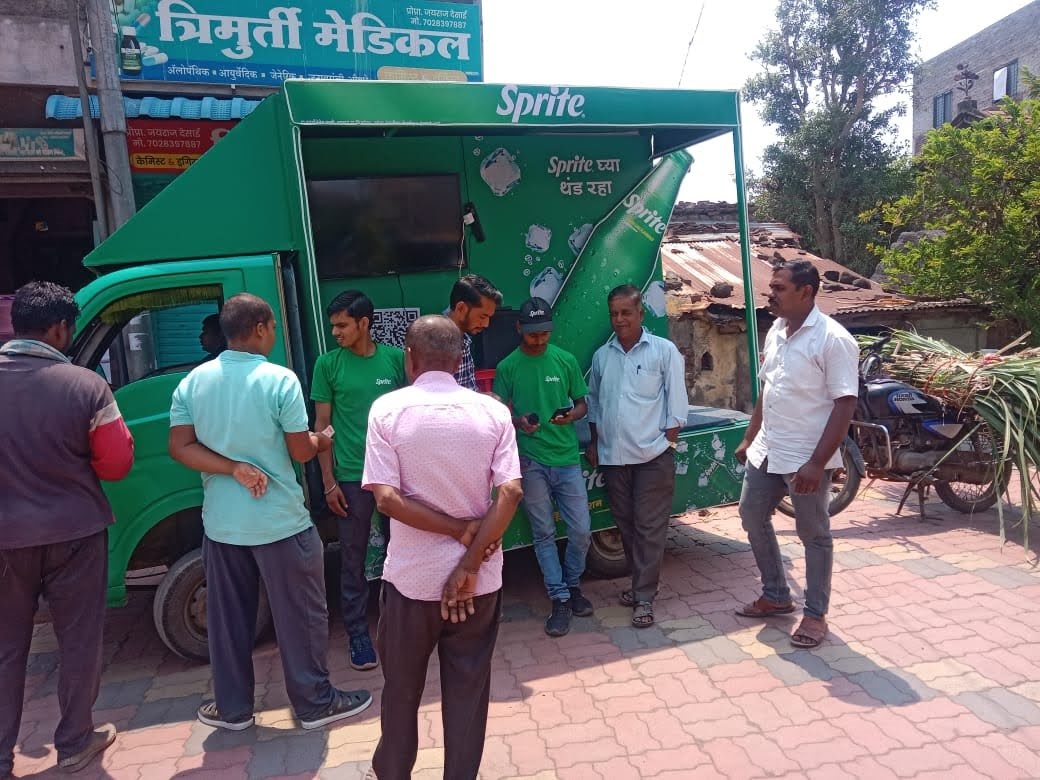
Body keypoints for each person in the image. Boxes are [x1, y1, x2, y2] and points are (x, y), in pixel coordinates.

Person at [168, 293, 371, 732]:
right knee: (301, 616)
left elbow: (180, 447)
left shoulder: (193, 382)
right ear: (259, 328)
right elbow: (300, 449)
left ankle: (234, 709)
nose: (275, 334)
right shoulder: (279, 380)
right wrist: (324, 440)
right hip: (280, 523)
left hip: (223, 527)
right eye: (274, 326)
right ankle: (315, 703)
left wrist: (232, 468)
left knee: (229, 622)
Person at [363, 315, 522, 780]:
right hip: (479, 584)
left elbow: (387, 499)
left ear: (410, 359)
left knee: (401, 693)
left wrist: (457, 531)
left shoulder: (387, 411)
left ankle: (392, 772)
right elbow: (510, 493)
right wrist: (468, 561)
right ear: (459, 360)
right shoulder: (492, 412)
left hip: (411, 583)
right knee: (467, 693)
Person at [0, 281, 135, 776]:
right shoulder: (85, 384)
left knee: (5, 648)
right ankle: (76, 740)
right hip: (74, 531)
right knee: (78, 640)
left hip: (5, 540)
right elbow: (117, 463)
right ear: (59, 328)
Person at [734, 260, 858, 649]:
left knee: (814, 535)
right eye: (771, 287)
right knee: (752, 516)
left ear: (806, 292)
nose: (770, 293)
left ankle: (815, 615)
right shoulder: (776, 330)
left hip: (806, 458)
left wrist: (818, 463)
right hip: (769, 449)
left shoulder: (833, 340)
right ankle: (776, 594)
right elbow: (768, 390)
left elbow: (844, 405)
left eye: (779, 288)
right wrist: (749, 438)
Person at [311, 290, 406, 671]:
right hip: (351, 479)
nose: (335, 332)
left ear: (364, 323)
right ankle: (358, 635)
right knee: (351, 559)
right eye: (333, 325)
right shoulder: (328, 365)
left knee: (400, 554)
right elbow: (321, 427)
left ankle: (398, 627)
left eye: (342, 325)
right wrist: (329, 482)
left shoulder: (397, 360)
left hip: (395, 478)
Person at [586, 284, 688, 629]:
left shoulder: (663, 351)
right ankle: (639, 584)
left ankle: (644, 597)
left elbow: (677, 404)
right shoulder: (603, 357)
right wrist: (596, 443)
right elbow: (596, 403)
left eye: (626, 313)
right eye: (614, 314)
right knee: (626, 525)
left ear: (641, 313)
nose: (619, 320)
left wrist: (668, 443)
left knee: (649, 527)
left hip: (653, 456)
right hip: (615, 458)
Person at [492, 297, 592, 637]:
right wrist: (519, 421)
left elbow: (582, 404)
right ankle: (560, 597)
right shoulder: (507, 367)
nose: (539, 340)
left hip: (566, 459)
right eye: (533, 334)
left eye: (545, 333)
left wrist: (570, 416)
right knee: (544, 534)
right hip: (530, 460)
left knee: (581, 531)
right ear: (520, 328)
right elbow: (498, 411)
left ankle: (573, 585)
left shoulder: (564, 360)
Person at [445, 274, 502, 391]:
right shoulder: (435, 345)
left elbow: (468, 388)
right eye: (482, 316)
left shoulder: (464, 338)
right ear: (461, 308)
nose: (486, 324)